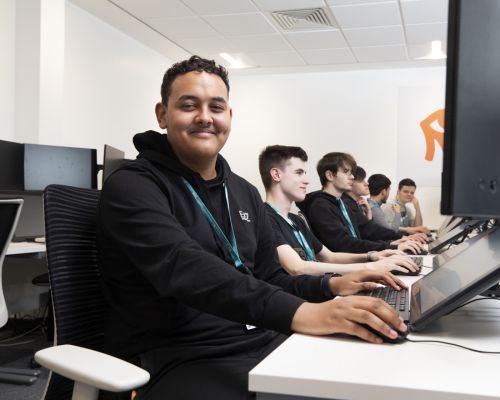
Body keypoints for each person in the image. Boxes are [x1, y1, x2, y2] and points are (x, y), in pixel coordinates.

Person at [97, 56, 407, 400]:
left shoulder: (242, 191)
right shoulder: (133, 185)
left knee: (371, 375)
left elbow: (270, 277)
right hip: (175, 355)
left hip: (256, 336)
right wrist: (306, 313)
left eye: (216, 106)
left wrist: (331, 286)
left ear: (229, 116)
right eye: (188, 105)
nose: (204, 116)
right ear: (162, 114)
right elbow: (185, 268)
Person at [259, 145, 418, 276]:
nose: (307, 181)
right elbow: (297, 268)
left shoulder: (296, 220)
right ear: (276, 174)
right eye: (299, 173)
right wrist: (370, 265)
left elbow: (329, 256)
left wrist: (374, 256)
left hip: (324, 286)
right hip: (311, 297)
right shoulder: (265, 218)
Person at [297, 152, 426, 254]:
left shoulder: (341, 203)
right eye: (346, 172)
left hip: (358, 258)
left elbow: (367, 228)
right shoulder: (320, 206)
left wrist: (402, 237)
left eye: (352, 173)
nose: (352, 177)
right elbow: (345, 244)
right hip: (346, 267)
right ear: (330, 175)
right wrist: (392, 246)